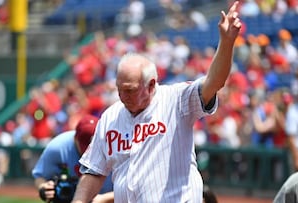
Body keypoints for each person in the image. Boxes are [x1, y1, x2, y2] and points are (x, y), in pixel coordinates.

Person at [72, 1, 242, 202]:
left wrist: (227, 42)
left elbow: (215, 82)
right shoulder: (110, 116)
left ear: (151, 85)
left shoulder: (176, 100)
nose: (122, 95)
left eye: (130, 90)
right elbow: (94, 171)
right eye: (119, 89)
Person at [32, 114, 113, 203]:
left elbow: (129, 189)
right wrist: (43, 187)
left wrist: (104, 198)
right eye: (85, 147)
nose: (88, 153)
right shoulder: (57, 147)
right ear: (75, 138)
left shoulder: (115, 148)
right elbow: (40, 176)